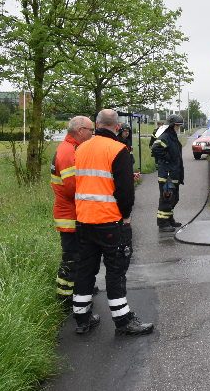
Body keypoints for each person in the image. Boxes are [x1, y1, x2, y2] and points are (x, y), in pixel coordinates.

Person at [72, 109, 153, 336]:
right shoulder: (119, 150)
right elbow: (125, 192)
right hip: (109, 221)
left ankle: (81, 317)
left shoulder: (81, 148)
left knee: (86, 269)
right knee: (116, 271)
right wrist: (126, 216)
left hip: (84, 220)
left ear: (97, 125)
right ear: (117, 127)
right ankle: (123, 320)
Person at [50, 115, 95, 304]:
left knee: (79, 255)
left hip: (72, 213)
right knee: (72, 258)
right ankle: (65, 298)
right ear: (80, 131)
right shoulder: (68, 152)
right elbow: (72, 188)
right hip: (69, 216)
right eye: (91, 131)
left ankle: (78, 288)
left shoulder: (70, 148)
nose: (92, 134)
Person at [151, 114, 185, 232]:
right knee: (166, 198)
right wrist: (167, 157)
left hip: (173, 174)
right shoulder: (165, 136)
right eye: (177, 125)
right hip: (167, 175)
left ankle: (169, 219)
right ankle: (162, 223)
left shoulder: (172, 136)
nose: (178, 127)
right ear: (172, 125)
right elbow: (155, 148)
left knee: (174, 199)